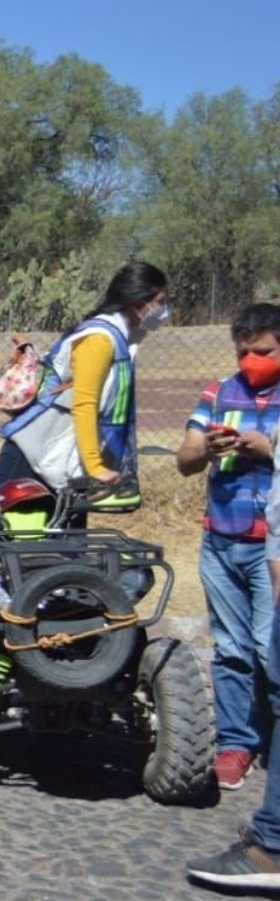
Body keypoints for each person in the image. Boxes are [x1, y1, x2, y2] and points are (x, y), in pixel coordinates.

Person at [175, 303, 280, 791]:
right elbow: (186, 457)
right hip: (221, 540)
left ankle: (271, 740)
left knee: (270, 648)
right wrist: (207, 450)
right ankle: (235, 743)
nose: (252, 361)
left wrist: (270, 450)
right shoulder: (219, 392)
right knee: (233, 649)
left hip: (272, 547)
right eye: (244, 352)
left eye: (264, 351)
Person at [0, 262, 170, 496]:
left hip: (61, 457)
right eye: (160, 302)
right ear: (137, 302)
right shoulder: (99, 340)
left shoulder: (119, 339)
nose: (164, 310)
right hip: (34, 451)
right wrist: (95, 467)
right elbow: (85, 403)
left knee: (63, 532)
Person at [185, 481, 280, 890]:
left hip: (263, 548)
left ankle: (272, 848)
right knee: (234, 650)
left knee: (267, 659)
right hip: (226, 536)